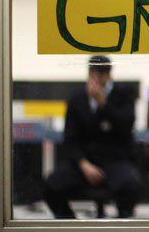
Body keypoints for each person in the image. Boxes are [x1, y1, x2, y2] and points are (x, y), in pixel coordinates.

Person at [43, 56, 142, 218]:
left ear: (109, 74)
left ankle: (121, 228)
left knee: (130, 186)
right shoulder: (77, 100)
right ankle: (71, 226)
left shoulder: (124, 94)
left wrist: (103, 104)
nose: (97, 77)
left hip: (115, 160)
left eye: (102, 73)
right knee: (52, 186)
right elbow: (70, 138)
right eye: (94, 72)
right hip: (84, 161)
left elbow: (126, 126)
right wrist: (84, 164)